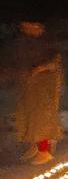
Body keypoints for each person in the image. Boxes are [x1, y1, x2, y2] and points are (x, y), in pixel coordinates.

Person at [8, 16, 63, 164]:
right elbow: (16, 60)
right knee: (27, 115)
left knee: (41, 117)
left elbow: (55, 60)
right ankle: (33, 145)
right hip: (28, 84)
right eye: (24, 27)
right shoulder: (22, 41)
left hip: (45, 84)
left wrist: (42, 68)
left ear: (38, 26)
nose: (26, 29)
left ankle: (44, 151)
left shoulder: (47, 41)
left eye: (30, 26)